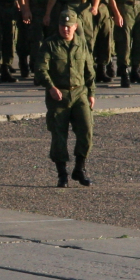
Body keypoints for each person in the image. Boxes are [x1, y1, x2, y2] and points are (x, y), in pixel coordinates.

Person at [34, 13, 98, 187]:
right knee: (59, 135)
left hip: (79, 93)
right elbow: (40, 69)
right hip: (58, 95)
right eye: (63, 25)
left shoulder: (81, 44)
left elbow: (89, 70)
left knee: (86, 130)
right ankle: (62, 174)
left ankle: (80, 168)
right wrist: (51, 87)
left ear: (76, 26)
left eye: (69, 26)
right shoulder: (50, 44)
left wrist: (91, 92)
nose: (66, 28)